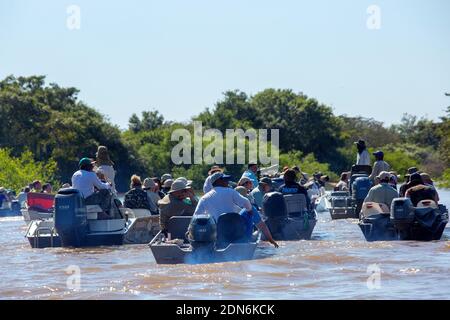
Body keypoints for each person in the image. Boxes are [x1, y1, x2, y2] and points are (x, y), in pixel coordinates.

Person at [194, 172, 278, 248]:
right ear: (219, 181)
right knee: (250, 209)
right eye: (225, 180)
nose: (228, 182)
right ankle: (246, 241)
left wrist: (189, 233)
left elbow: (196, 217)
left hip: (218, 236)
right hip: (237, 234)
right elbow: (246, 202)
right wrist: (249, 210)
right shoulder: (231, 192)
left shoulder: (204, 198)